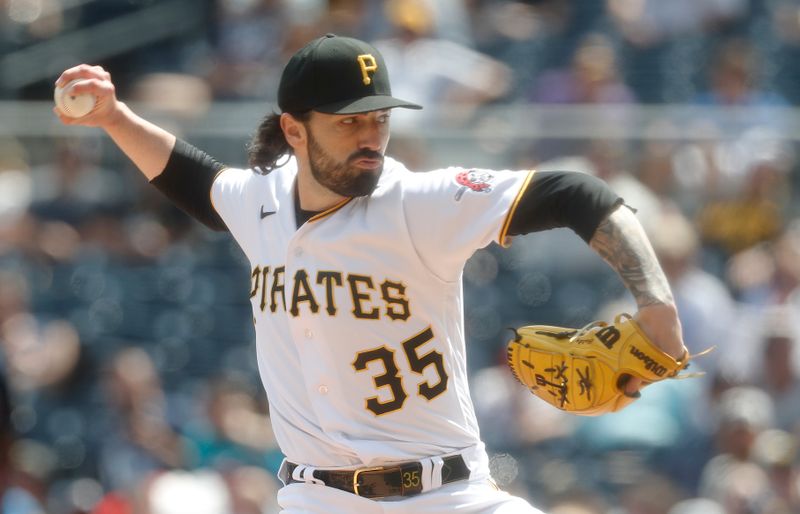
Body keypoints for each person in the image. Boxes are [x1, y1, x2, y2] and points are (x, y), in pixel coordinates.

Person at [55, 33, 687, 514]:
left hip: (445, 494)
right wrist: (114, 118)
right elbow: (197, 181)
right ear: (294, 131)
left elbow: (577, 192)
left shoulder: (420, 202)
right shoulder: (261, 201)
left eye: (378, 118)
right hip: (316, 498)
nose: (370, 136)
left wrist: (656, 303)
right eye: (348, 120)